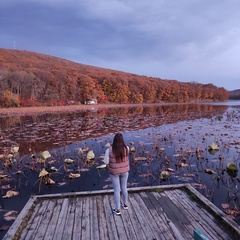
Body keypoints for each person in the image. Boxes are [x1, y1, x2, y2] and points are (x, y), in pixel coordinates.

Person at [103, 132, 129, 216]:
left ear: (114, 140)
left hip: (114, 172)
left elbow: (106, 162)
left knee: (117, 189)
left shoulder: (109, 150)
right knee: (124, 187)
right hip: (125, 171)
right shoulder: (127, 148)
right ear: (122, 140)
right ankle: (125, 204)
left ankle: (117, 209)